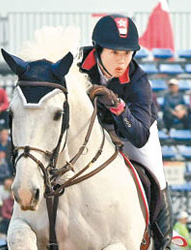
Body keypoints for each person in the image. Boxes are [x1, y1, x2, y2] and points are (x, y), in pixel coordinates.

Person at [79, 14, 171, 248]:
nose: (121, 61)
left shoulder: (138, 80)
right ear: (98, 49)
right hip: (90, 127)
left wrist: (118, 106)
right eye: (114, 52)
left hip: (132, 131)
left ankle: (164, 241)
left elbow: (139, 137)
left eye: (127, 53)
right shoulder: (76, 63)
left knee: (156, 175)